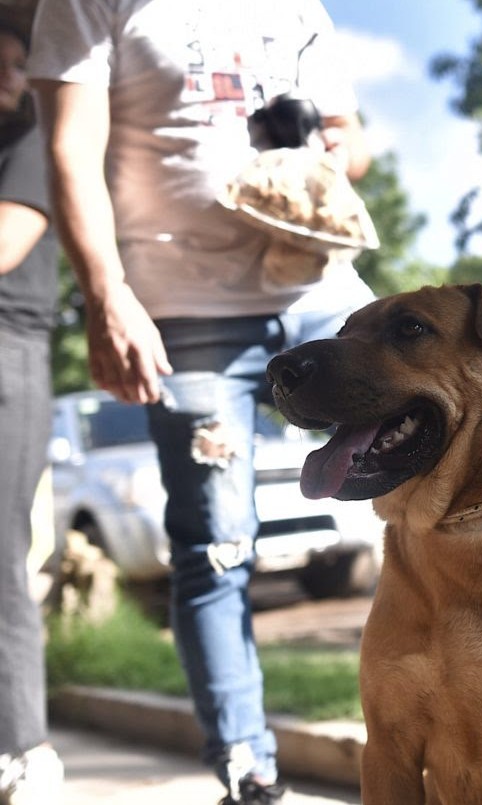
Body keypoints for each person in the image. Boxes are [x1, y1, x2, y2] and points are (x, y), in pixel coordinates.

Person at [28, 2, 375, 802]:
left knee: (442, 445)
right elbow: (69, 147)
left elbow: (352, 142)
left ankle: (464, 704)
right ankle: (249, 769)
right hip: (187, 310)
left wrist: (332, 146)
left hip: (321, 286)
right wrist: (105, 295)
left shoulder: (300, 9)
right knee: (216, 544)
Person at [0, 18, 64, 805]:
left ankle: (23, 747)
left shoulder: (31, 144)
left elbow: (7, 240)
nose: (10, 75)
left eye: (18, 63)